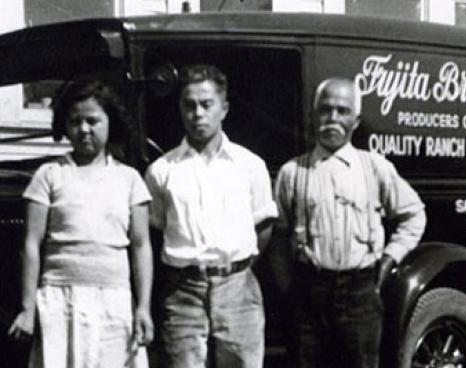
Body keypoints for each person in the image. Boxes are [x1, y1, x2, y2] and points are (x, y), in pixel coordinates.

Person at [272, 77, 426, 368]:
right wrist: (288, 288)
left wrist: (390, 258)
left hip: (360, 294)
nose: (332, 118)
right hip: (309, 293)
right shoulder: (293, 172)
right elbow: (279, 235)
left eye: (342, 111)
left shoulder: (374, 167)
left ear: (356, 121)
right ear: (313, 115)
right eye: (325, 110)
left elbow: (414, 214)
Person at [8, 80, 154, 368]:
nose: (84, 129)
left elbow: (141, 246)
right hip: (60, 300)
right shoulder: (49, 175)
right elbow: (31, 244)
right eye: (75, 121)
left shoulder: (129, 179)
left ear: (111, 122)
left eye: (93, 120)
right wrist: (28, 308)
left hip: (114, 301)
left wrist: (143, 307)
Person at [145, 64, 277, 368]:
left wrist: (235, 266)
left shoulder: (249, 166)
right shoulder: (162, 171)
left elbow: (264, 227)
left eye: (206, 104)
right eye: (189, 105)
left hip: (238, 290)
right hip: (182, 295)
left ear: (224, 108)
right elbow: (154, 231)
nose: (198, 114)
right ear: (180, 109)